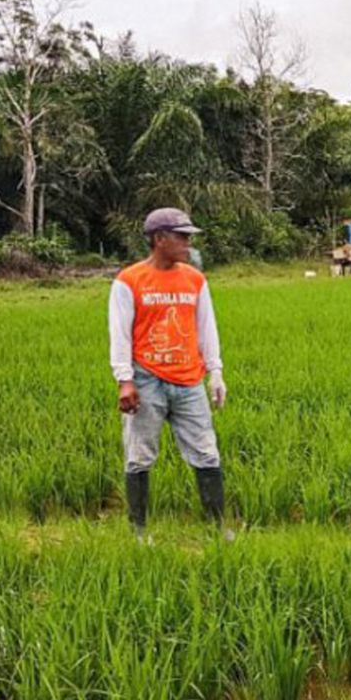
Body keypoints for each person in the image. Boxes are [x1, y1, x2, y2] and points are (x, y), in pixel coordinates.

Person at [108, 207, 232, 541]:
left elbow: (207, 327)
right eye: (182, 236)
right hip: (146, 379)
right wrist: (125, 380)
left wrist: (215, 372)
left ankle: (217, 529)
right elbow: (119, 333)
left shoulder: (194, 279)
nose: (188, 243)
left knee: (207, 453)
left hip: (189, 380)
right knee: (139, 456)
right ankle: (138, 532)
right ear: (159, 239)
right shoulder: (129, 281)